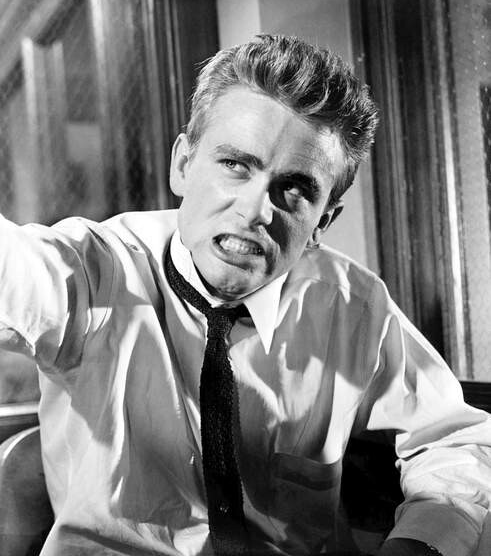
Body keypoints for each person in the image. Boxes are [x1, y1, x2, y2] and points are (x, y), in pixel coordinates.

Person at [0, 34, 490, 556]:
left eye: (295, 188)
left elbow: (458, 439)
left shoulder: (351, 306)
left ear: (323, 221)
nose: (256, 211)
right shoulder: (92, 270)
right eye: (236, 164)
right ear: (183, 165)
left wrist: (419, 546)